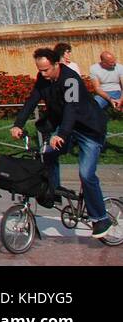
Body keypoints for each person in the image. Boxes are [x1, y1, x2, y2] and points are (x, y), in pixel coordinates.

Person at [10, 47, 112, 238]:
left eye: (46, 70)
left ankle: (101, 219)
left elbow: (72, 108)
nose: (42, 74)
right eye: (39, 70)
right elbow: (32, 100)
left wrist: (62, 134)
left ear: (57, 64)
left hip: (89, 130)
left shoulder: (71, 79)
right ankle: (53, 192)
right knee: (47, 154)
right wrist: (18, 124)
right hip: (67, 128)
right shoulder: (43, 79)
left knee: (86, 174)